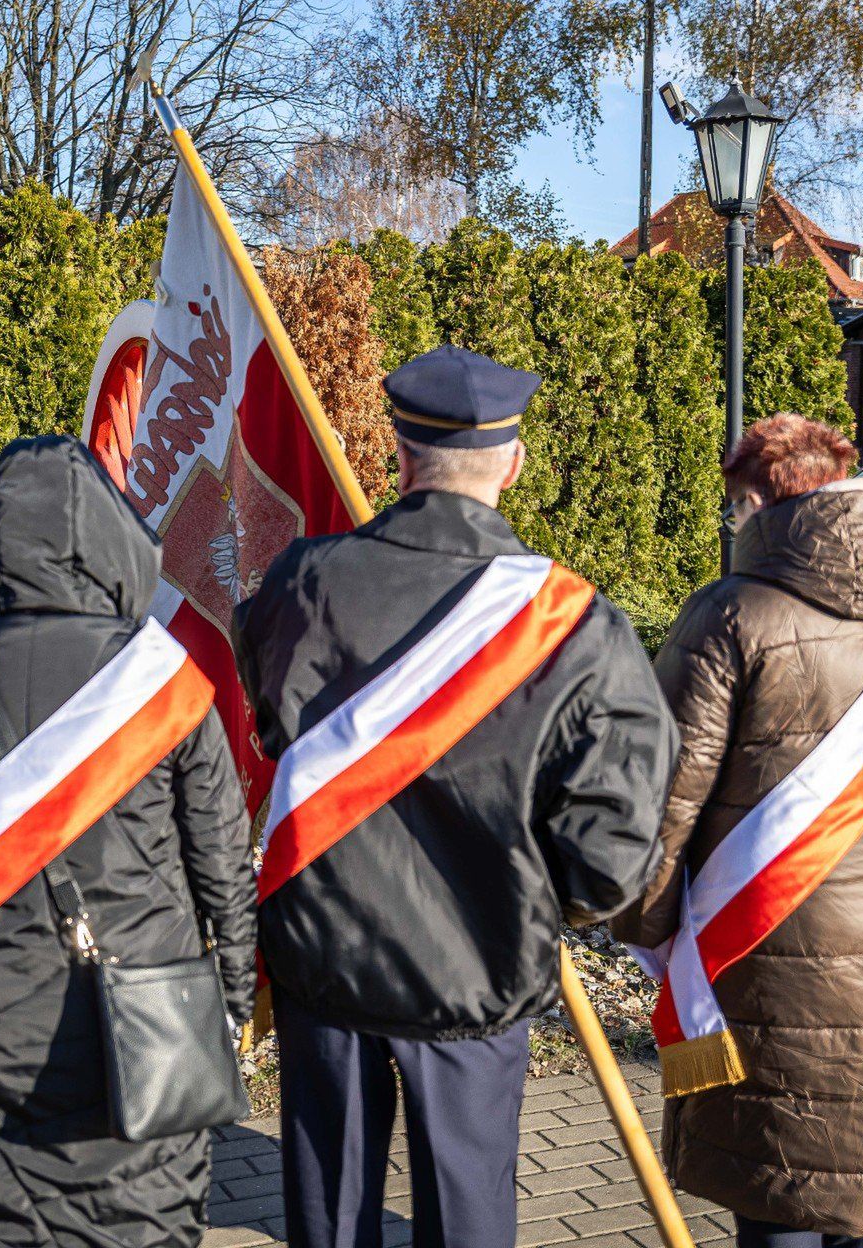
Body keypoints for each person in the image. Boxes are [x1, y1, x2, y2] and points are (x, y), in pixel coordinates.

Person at [233, 345, 675, 1248]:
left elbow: (273, 730)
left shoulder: (300, 582)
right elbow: (618, 844)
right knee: (469, 1220)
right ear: (513, 463)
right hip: (479, 970)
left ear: (399, 457)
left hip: (328, 965)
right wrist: (537, 901)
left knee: (332, 1222)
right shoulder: (575, 621)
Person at [615, 413, 863, 1248]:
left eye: (736, 507)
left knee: (779, 1185)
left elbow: (662, 798)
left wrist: (643, 928)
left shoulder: (730, 614)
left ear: (759, 500)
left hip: (771, 946)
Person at [0, 436, 258, 1247]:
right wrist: (227, 1003)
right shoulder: (172, 680)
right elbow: (223, 865)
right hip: (153, 1016)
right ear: (116, 543)